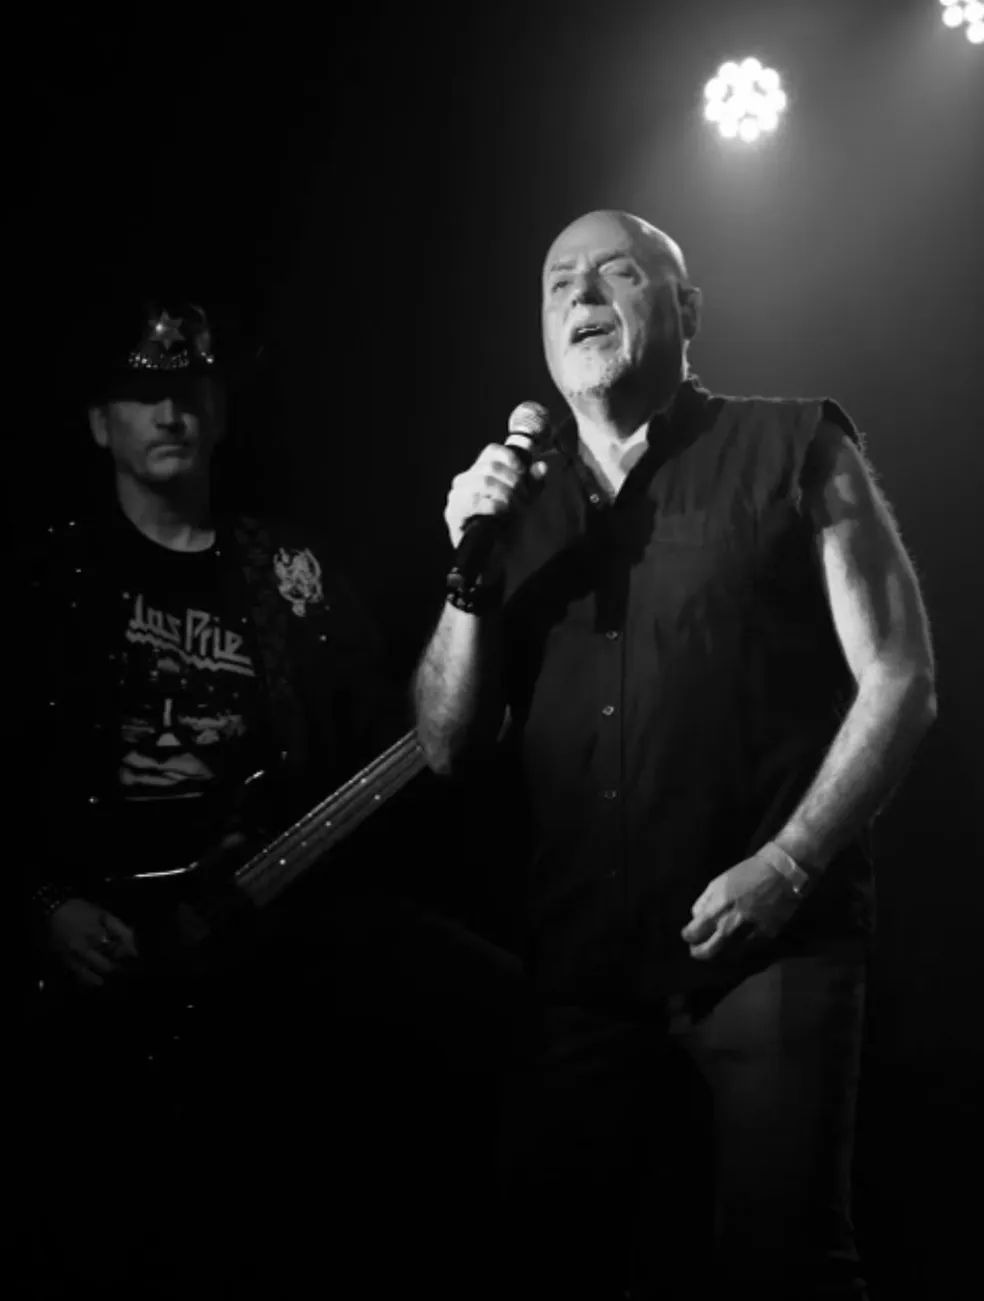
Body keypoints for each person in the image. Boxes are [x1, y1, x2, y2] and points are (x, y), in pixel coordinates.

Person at [413, 209, 937, 1300]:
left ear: (687, 309)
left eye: (618, 271)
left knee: (782, 1265)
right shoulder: (517, 508)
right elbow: (448, 744)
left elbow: (900, 676)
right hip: (578, 970)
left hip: (767, 953)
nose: (582, 293)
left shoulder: (793, 445)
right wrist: (468, 572)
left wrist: (789, 864)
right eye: (559, 281)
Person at [14, 296, 415, 1297]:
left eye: (190, 392)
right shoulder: (49, 576)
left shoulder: (288, 574)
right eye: (141, 394)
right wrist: (45, 903)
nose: (169, 414)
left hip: (258, 979)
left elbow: (379, 730)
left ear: (222, 411)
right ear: (99, 421)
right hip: (89, 974)